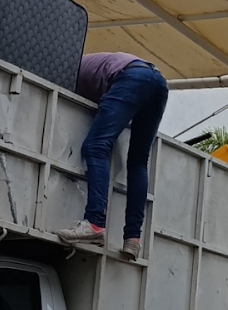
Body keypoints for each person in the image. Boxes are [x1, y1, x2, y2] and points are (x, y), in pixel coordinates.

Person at [57, 52, 169, 260]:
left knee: (96, 146)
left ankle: (94, 223)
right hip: (158, 82)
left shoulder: (67, 73)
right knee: (138, 161)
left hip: (132, 77)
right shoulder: (88, 63)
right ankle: (133, 238)